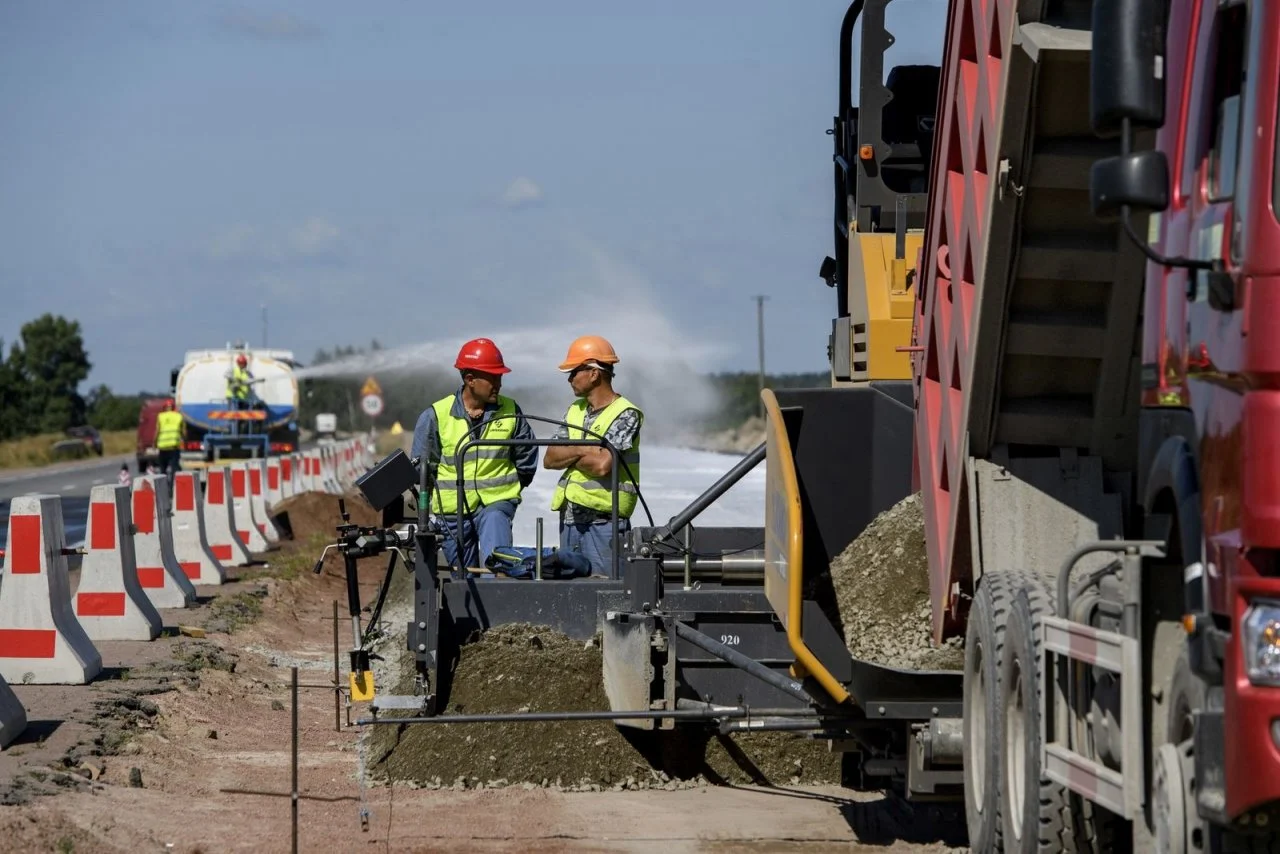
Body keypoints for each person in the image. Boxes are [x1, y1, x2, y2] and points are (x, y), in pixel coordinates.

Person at [412, 338, 539, 571]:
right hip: (452, 513)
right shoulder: (436, 416)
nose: (499, 384)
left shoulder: (511, 410)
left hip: (496, 504)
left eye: (500, 377)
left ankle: (496, 596)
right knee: (462, 578)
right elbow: (422, 471)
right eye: (493, 377)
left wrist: (508, 492)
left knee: (496, 563)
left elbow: (526, 459)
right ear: (470, 380)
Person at [542, 335, 642, 578]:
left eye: (574, 371)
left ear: (594, 373)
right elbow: (550, 459)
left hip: (604, 524)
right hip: (570, 520)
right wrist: (583, 448)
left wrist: (571, 449)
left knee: (605, 593)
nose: (569, 379)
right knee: (569, 596)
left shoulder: (626, 413)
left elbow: (601, 465)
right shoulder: (574, 411)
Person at [154, 398, 185, 480]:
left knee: (163, 471)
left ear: (164, 408)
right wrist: (184, 440)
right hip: (174, 448)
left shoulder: (161, 416)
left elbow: (157, 431)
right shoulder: (178, 416)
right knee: (174, 470)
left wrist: (154, 443)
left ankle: (163, 489)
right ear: (173, 407)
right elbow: (183, 432)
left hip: (162, 448)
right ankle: (172, 489)